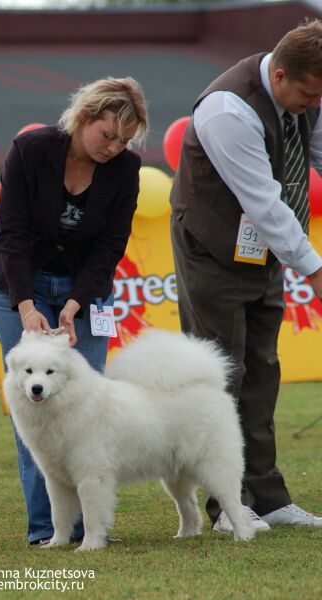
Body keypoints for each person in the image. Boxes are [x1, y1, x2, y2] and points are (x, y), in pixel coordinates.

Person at [0, 76, 148, 545]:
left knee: (90, 409)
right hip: (17, 282)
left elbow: (111, 244)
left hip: (84, 288)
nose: (113, 147)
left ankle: (91, 528)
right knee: (33, 404)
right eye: (106, 134)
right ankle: (47, 530)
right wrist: (27, 307)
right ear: (84, 118)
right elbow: (9, 231)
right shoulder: (30, 149)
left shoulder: (125, 169)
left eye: (124, 140)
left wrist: (76, 303)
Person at [170, 19, 322, 532]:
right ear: (280, 75)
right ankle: (223, 508)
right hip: (210, 249)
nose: (311, 105)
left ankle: (269, 497)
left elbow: (318, 156)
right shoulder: (227, 111)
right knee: (221, 376)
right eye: (307, 96)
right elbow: (264, 203)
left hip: (262, 255)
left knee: (263, 369)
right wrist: (316, 271)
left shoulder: (306, 92)